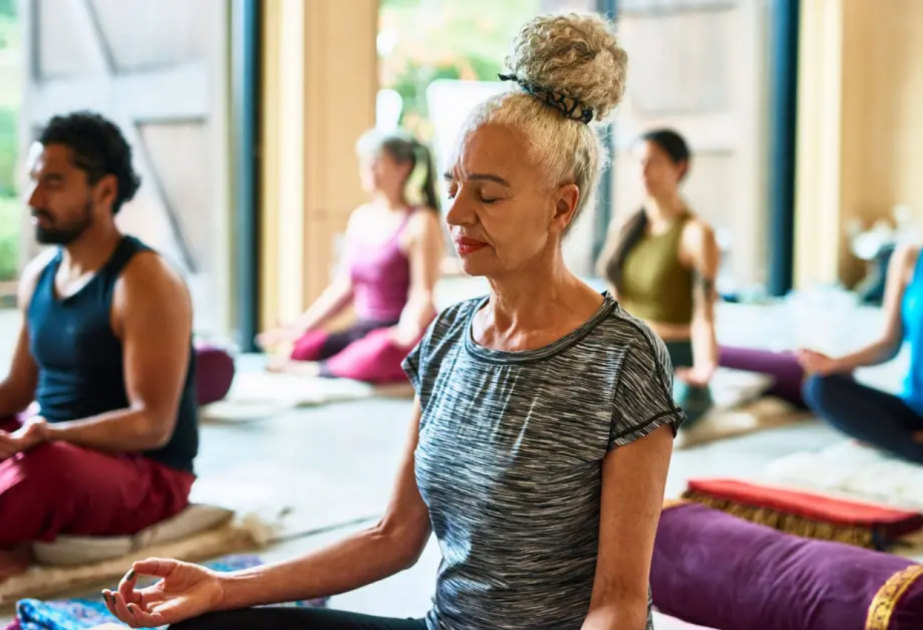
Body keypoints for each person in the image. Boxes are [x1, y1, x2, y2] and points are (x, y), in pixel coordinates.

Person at [103, 13, 682, 630]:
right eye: (453, 185)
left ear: (561, 206)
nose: (455, 214)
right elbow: (393, 537)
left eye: (487, 195)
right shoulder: (449, 337)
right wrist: (224, 587)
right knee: (208, 624)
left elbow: (618, 603)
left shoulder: (622, 357)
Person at [0, 111, 199, 581]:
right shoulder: (40, 276)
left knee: (45, 469)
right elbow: (17, 391)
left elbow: (151, 425)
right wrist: (35, 435)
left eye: (53, 182)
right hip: (46, 443)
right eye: (33, 180)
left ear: (105, 191)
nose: (33, 199)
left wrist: (49, 435)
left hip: (142, 471)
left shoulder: (145, 280)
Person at [256, 130, 444, 384]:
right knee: (301, 348)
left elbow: (423, 294)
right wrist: (299, 327)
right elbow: (344, 288)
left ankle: (318, 370)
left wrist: (406, 330)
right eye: (364, 163)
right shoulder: (360, 218)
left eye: (375, 163)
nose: (366, 170)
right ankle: (328, 365)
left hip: (398, 331)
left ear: (404, 167)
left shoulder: (420, 221)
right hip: (364, 328)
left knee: (380, 351)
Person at [597, 129, 720, 427]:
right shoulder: (624, 228)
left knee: (668, 410)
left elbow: (704, 314)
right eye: (638, 162)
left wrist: (704, 368)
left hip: (672, 355)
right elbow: (614, 306)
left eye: (654, 162)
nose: (644, 171)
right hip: (628, 354)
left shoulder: (696, 233)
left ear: (680, 167)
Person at [798, 242, 923, 464]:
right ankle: (908, 442)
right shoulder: (909, 257)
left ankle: (903, 444)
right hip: (914, 408)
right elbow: (888, 344)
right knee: (822, 387)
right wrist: (836, 364)